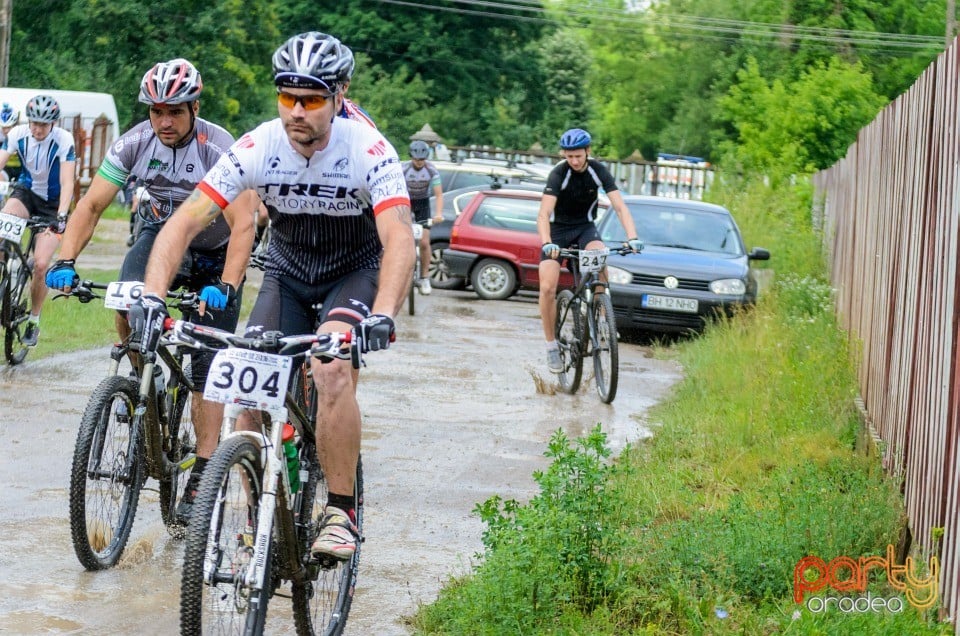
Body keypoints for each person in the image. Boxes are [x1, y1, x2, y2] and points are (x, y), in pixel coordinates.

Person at [128, 31, 413, 561]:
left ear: (340, 94)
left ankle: (341, 512)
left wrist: (383, 314)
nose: (297, 112)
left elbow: (399, 236)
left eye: (311, 100)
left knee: (329, 367)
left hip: (352, 270)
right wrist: (150, 295)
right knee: (248, 392)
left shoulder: (368, 148)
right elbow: (184, 221)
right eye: (287, 98)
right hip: (287, 270)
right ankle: (263, 514)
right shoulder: (259, 145)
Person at [46, 59, 258, 521]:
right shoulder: (136, 143)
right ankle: (146, 374)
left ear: (194, 108)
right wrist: (65, 259)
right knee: (124, 299)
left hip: (216, 256)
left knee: (206, 366)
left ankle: (202, 472)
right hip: (162, 243)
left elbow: (246, 223)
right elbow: (92, 204)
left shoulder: (219, 147)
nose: (163, 121)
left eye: (174, 112)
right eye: (156, 111)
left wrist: (227, 283)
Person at [537, 128, 643, 373]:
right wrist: (546, 242)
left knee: (600, 255)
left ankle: (601, 316)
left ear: (587, 151)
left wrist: (632, 237)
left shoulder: (598, 171)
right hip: (558, 233)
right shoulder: (558, 174)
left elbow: (620, 207)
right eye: (569, 156)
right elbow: (543, 214)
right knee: (547, 287)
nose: (574, 161)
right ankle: (551, 345)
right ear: (564, 154)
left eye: (578, 156)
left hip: (585, 228)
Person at [0, 94, 76, 346]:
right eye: (34, 123)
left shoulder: (64, 140)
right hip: (26, 194)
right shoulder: (17, 135)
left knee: (42, 264)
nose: (37, 129)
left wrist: (63, 214)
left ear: (53, 123)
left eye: (43, 125)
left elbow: (67, 183)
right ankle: (7, 264)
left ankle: (33, 319)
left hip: (52, 205)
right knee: (4, 222)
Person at [402, 140, 443, 295]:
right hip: (406, 202)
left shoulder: (431, 170)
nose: (419, 162)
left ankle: (425, 277)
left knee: (425, 241)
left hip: (423, 204)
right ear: (411, 157)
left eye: (422, 159)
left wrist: (439, 214)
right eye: (416, 159)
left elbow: (438, 195)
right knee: (402, 239)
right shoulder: (403, 168)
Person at [0, 103, 23, 182]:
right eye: (3, 127)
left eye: (9, 127)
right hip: (7, 168)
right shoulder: (3, 139)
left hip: (23, 170)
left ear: (16, 125)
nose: (6, 131)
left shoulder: (23, 137)